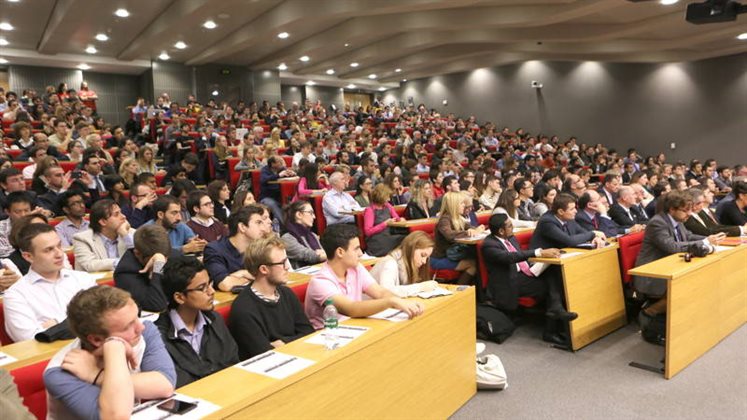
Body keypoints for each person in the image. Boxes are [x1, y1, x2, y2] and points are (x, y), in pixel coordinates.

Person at [43, 286, 176, 420]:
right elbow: (116, 416)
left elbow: (166, 385)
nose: (140, 327)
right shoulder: (60, 372)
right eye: (127, 326)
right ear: (96, 339)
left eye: (137, 317)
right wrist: (115, 347)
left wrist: (96, 375)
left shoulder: (145, 331)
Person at [634, 190, 723, 340]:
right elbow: (672, 247)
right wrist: (704, 242)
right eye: (685, 210)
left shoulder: (677, 221)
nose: (689, 214)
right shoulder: (658, 222)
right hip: (652, 274)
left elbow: (688, 236)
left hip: (671, 266)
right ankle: (648, 313)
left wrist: (709, 238)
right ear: (672, 209)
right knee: (688, 289)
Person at [304, 223, 424, 329]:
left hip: (355, 328)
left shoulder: (356, 268)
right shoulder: (321, 282)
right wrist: (391, 302)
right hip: (329, 338)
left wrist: (401, 302)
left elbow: (380, 292)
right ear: (340, 252)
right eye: (356, 249)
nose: (361, 253)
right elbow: (351, 309)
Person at [3, 223, 97, 342]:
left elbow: (102, 319)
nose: (59, 254)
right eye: (49, 250)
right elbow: (29, 339)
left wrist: (54, 325)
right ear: (28, 257)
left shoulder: (84, 279)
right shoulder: (16, 294)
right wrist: (76, 321)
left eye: (59, 246)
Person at [155, 256, 239, 387]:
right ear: (180, 297)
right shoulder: (159, 337)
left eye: (210, 284)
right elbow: (180, 383)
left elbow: (232, 361)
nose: (211, 292)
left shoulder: (214, 320)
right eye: (202, 288)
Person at [482, 214, 577, 324]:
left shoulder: (511, 238)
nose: (513, 227)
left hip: (524, 273)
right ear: (501, 231)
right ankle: (553, 325)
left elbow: (521, 258)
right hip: (508, 281)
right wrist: (539, 252)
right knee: (552, 285)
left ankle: (555, 313)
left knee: (553, 273)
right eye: (509, 226)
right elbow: (510, 257)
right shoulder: (489, 245)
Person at [229, 237, 314, 359]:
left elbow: (308, 332)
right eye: (282, 263)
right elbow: (264, 353)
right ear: (264, 269)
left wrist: (283, 342)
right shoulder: (243, 308)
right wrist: (293, 340)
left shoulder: (286, 293)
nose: (287, 267)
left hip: (298, 357)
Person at [204, 204, 272, 291]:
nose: (263, 228)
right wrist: (247, 274)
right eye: (258, 223)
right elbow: (225, 284)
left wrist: (241, 275)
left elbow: (270, 275)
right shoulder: (214, 250)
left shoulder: (259, 247)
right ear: (242, 227)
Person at [113, 224, 172, 313]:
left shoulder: (166, 253)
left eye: (165, 258)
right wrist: (158, 267)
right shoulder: (125, 272)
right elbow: (156, 305)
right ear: (137, 253)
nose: (165, 262)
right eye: (153, 259)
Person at [430, 192, 481, 286]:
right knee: (473, 265)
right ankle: (459, 291)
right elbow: (449, 235)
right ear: (453, 205)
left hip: (454, 255)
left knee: (477, 259)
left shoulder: (458, 218)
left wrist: (473, 229)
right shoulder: (444, 219)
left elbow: (471, 228)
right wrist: (467, 232)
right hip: (440, 258)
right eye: (461, 203)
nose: (464, 206)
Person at [369, 231, 439, 297]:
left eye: (427, 258)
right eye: (423, 255)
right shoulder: (389, 263)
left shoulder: (407, 264)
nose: (424, 261)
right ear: (411, 249)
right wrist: (420, 287)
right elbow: (386, 292)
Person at [72, 199, 135, 272]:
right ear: (103, 222)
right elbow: (90, 264)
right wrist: (120, 263)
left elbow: (140, 258)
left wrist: (125, 235)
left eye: (121, 212)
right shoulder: (82, 239)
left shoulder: (130, 233)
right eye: (116, 214)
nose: (123, 216)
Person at [530, 193, 606, 250]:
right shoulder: (547, 222)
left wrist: (595, 238)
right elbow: (569, 241)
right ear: (561, 211)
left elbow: (583, 232)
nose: (576, 211)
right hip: (543, 263)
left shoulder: (568, 218)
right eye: (572, 209)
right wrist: (593, 233)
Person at [575, 190, 643, 237]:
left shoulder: (597, 214)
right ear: (590, 205)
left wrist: (629, 230)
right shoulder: (580, 218)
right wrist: (604, 214)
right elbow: (602, 234)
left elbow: (614, 229)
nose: (601, 202)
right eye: (598, 200)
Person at [363, 184, 406, 257]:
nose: (389, 199)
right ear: (381, 196)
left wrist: (401, 219)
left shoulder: (387, 206)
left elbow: (397, 219)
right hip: (377, 240)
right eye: (387, 197)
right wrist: (385, 224)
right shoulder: (369, 210)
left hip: (388, 236)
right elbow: (368, 231)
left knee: (409, 238)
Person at [281, 200, 326, 268]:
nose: (314, 217)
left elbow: (323, 254)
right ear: (299, 215)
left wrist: (324, 254)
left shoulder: (313, 235)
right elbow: (310, 256)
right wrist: (329, 255)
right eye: (310, 213)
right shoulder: (287, 238)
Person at [259, 156, 295, 224]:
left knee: (291, 203)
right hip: (267, 197)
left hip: (279, 196)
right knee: (273, 204)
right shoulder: (265, 170)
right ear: (273, 164)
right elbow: (263, 180)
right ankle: (284, 225)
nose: (281, 163)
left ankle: (293, 224)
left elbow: (288, 174)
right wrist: (278, 175)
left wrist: (292, 174)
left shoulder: (282, 169)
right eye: (279, 162)